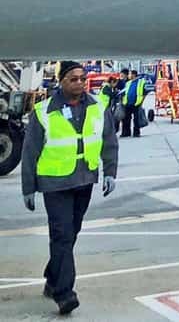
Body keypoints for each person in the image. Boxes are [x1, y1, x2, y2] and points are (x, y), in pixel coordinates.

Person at [21, 61, 119, 315]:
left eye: (82, 78)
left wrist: (110, 172)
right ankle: (64, 294)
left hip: (84, 179)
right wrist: (28, 187)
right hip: (54, 183)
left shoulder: (98, 106)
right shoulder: (43, 111)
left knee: (71, 232)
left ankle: (53, 277)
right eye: (73, 78)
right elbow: (30, 151)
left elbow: (109, 140)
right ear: (61, 81)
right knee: (62, 235)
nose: (79, 83)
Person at [121, 70, 148, 137]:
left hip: (136, 103)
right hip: (127, 103)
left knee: (136, 119)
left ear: (133, 75)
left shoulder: (141, 82)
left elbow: (144, 93)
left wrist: (141, 102)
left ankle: (136, 133)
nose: (129, 75)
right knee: (126, 119)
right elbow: (125, 92)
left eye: (130, 74)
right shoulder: (128, 83)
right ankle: (126, 133)